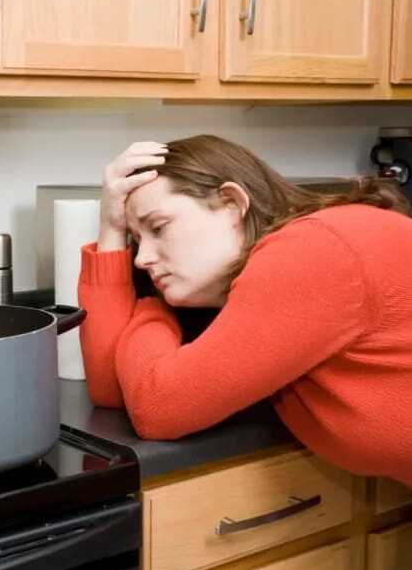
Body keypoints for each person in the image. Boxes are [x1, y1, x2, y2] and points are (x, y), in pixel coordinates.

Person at [78, 134, 412, 488]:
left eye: (159, 228)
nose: (142, 259)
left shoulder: (312, 252)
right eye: (137, 239)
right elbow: (109, 391)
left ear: (231, 204)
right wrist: (111, 229)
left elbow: (157, 407)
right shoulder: (269, 278)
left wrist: (149, 307)